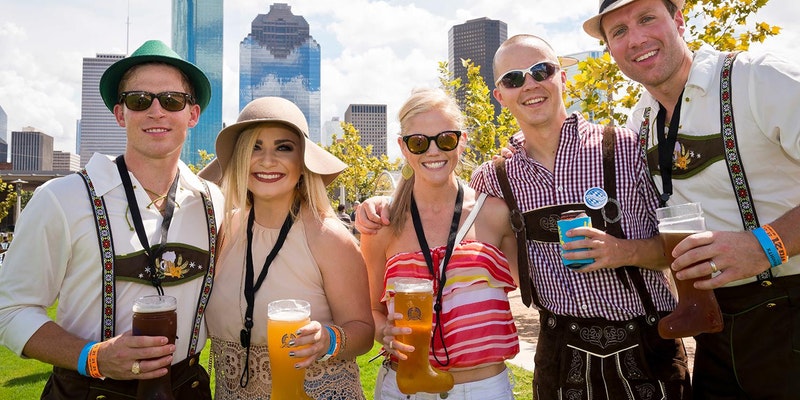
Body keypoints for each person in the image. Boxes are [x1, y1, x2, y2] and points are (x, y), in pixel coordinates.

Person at [357, 35, 691, 399]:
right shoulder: (497, 178)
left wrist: (620, 252)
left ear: (563, 77)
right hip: (560, 353)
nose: (529, 84)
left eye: (541, 71)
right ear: (500, 95)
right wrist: (379, 202)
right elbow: (438, 202)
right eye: (514, 79)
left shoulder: (626, 147)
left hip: (645, 343)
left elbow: (682, 245)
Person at [584, 0, 800, 397]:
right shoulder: (641, 119)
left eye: (647, 18)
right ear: (611, 51)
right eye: (618, 32)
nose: (636, 39)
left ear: (679, 21)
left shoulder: (758, 78)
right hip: (714, 325)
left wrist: (765, 243)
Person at [0, 39, 223, 398]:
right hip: (90, 390)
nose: (156, 111)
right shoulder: (61, 199)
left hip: (187, 388)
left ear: (192, 115)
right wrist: (95, 356)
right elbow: (10, 311)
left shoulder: (213, 202)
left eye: (171, 100)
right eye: (139, 100)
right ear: (121, 114)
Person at [200, 96, 374, 399]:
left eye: (284, 147)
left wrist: (328, 340)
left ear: (303, 162)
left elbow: (364, 331)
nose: (267, 160)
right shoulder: (223, 231)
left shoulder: (328, 237)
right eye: (255, 147)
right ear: (240, 158)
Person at [360, 87, 520, 400]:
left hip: (484, 389)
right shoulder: (383, 225)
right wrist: (384, 334)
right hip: (404, 388)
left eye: (445, 139)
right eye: (419, 142)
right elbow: (370, 311)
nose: (433, 151)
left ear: (462, 140)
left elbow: (535, 284)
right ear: (403, 149)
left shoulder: (496, 213)